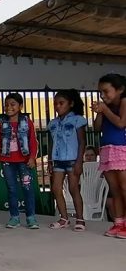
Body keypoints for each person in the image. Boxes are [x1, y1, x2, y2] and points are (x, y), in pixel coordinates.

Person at [0, 93, 39, 229]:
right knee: (12, 189)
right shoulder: (0, 123)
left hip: (24, 161)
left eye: (13, 104)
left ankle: (31, 217)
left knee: (27, 188)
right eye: (6, 105)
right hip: (7, 162)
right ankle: (14, 217)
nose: (9, 107)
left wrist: (32, 157)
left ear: (20, 106)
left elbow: (33, 142)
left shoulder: (27, 122)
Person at [92, 73, 126, 238]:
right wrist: (100, 112)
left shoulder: (124, 102)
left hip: (122, 149)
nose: (103, 96)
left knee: (125, 187)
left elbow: (121, 123)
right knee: (115, 189)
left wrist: (105, 109)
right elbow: (97, 128)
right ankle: (118, 223)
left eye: (106, 91)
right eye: (101, 93)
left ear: (120, 89)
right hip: (107, 149)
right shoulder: (106, 108)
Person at [47, 89, 87, 231]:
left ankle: (80, 219)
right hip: (58, 160)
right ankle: (64, 218)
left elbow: (82, 141)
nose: (57, 106)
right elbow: (51, 142)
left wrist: (79, 161)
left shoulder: (77, 120)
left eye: (61, 103)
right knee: (56, 188)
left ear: (71, 104)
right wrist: (50, 160)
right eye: (55, 103)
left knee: (73, 188)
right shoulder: (53, 123)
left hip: (72, 160)